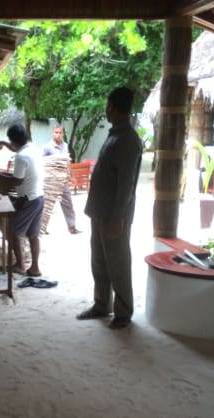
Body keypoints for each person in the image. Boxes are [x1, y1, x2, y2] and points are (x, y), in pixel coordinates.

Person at [77, 87, 142, 329]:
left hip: (114, 214)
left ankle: (123, 312)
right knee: (100, 261)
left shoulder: (128, 140)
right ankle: (102, 304)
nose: (107, 110)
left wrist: (118, 217)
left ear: (112, 107)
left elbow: (126, 185)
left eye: (108, 106)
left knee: (118, 262)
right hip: (100, 211)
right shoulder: (116, 134)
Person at [0, 124, 45, 277]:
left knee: (13, 232)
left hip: (28, 198)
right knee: (33, 234)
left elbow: (17, 180)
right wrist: (5, 144)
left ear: (13, 141)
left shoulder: (21, 157)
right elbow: (17, 148)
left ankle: (20, 266)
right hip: (38, 197)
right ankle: (35, 268)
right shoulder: (32, 148)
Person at [41, 126, 81, 235]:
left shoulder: (65, 146)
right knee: (47, 205)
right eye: (56, 132)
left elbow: (68, 163)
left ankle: (72, 227)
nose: (58, 134)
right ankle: (42, 228)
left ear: (63, 133)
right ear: (52, 133)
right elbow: (42, 163)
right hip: (51, 181)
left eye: (60, 132)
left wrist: (71, 176)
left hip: (63, 180)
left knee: (68, 204)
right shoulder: (47, 147)